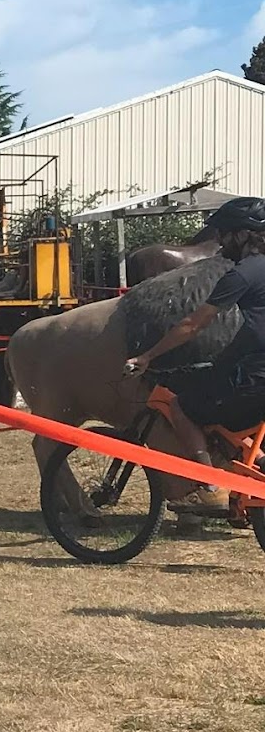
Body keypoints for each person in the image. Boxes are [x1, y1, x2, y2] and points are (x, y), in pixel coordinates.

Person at [124, 196, 265, 512]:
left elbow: (192, 324)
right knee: (219, 394)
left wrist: (147, 356)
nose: (219, 243)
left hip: (257, 376)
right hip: (254, 369)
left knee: (182, 406)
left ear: (242, 235)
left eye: (223, 234)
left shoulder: (243, 273)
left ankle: (210, 484)